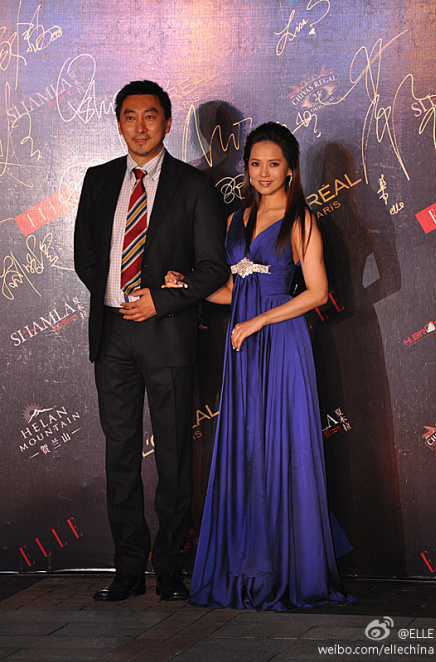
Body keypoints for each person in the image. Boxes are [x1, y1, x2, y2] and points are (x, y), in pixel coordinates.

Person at [164, 122, 354, 610]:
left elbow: (318, 293)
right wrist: (187, 286)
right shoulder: (237, 219)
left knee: (282, 446)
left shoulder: (301, 219)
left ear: (290, 169)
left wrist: (259, 321)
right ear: (245, 167)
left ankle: (292, 568)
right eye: (255, 164)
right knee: (248, 448)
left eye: (274, 164)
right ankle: (249, 565)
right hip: (243, 344)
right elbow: (233, 291)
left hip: (282, 343)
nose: (263, 173)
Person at [74, 80, 230, 602]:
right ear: (119, 122)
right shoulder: (98, 179)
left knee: (173, 458)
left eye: (150, 116)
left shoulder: (193, 185)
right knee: (120, 454)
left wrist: (159, 301)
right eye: (130, 116)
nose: (140, 126)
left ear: (166, 121)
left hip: (168, 334)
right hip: (113, 334)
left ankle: (169, 568)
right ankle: (127, 569)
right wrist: (117, 297)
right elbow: (86, 256)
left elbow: (212, 268)